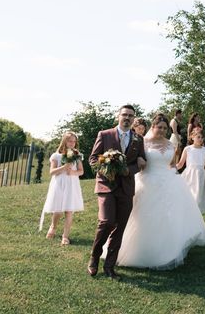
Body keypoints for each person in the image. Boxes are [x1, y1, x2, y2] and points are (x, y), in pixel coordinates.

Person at [110, 113, 205, 270]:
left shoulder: (170, 144)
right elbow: (133, 160)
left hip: (168, 182)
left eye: (165, 128)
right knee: (143, 216)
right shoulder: (142, 142)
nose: (162, 130)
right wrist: (139, 161)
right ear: (153, 127)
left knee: (166, 216)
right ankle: (139, 249)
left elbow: (172, 164)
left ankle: (168, 248)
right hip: (147, 181)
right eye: (159, 127)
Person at [88, 105, 147, 280]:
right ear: (118, 116)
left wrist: (130, 170)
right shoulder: (104, 135)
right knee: (106, 222)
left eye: (130, 116)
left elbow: (142, 162)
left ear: (134, 118)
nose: (127, 118)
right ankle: (94, 256)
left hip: (127, 187)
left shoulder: (138, 139)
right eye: (124, 115)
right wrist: (106, 168)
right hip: (106, 186)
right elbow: (92, 159)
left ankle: (109, 267)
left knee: (120, 228)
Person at [39, 131, 84, 246]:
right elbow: (52, 172)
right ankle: (53, 227)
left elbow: (81, 171)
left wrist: (73, 172)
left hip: (71, 184)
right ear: (64, 141)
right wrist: (64, 167)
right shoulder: (56, 156)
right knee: (58, 210)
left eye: (74, 142)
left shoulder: (77, 155)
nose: (72, 144)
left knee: (69, 210)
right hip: (59, 183)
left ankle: (65, 236)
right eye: (70, 141)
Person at [176, 130, 205, 213]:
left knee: (197, 197)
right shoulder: (188, 149)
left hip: (200, 177)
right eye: (198, 137)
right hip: (189, 176)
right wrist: (170, 169)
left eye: (202, 137)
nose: (200, 139)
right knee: (189, 196)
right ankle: (187, 213)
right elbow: (180, 164)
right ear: (192, 137)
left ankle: (195, 215)